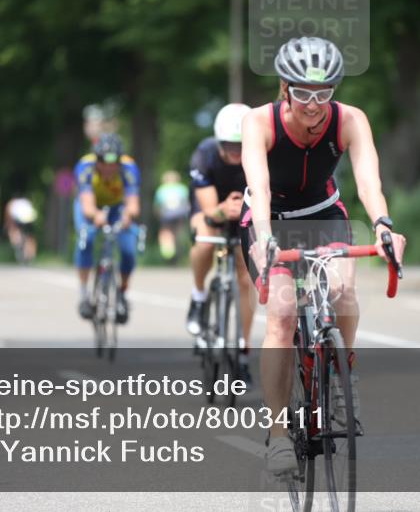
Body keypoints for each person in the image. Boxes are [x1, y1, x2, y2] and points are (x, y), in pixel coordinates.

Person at [240, 37, 406, 472]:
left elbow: (369, 181)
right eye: (302, 93)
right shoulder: (260, 122)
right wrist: (263, 235)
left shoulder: (350, 120)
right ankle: (277, 435)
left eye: (324, 93)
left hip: (322, 212)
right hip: (269, 218)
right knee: (282, 313)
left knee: (343, 290)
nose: (313, 105)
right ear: (283, 87)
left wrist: (384, 225)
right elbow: (257, 185)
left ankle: (338, 375)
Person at [185, 103, 255, 383]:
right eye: (230, 145)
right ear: (218, 141)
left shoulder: (261, 154)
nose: (237, 152)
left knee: (247, 276)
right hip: (211, 208)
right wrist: (222, 211)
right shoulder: (205, 154)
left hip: (245, 211)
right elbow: (209, 210)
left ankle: (242, 351)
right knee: (204, 241)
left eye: (242, 145)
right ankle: (199, 296)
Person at [73, 132, 141, 323]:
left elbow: (133, 204)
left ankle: (122, 293)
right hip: (92, 206)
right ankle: (84, 294)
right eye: (104, 162)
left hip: (118, 207)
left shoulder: (129, 168)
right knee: (86, 241)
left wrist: (127, 215)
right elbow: (86, 204)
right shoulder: (85, 167)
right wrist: (96, 215)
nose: (109, 167)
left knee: (128, 250)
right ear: (97, 160)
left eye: (114, 163)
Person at [153, 171, 190, 263]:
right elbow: (187, 204)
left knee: (165, 232)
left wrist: (157, 215)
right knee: (178, 232)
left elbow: (157, 206)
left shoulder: (161, 189)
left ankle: (168, 251)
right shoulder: (182, 188)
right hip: (180, 214)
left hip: (166, 215)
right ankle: (178, 249)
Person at [5, 194, 38, 264]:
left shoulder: (12, 203)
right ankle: (31, 252)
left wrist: (9, 227)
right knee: (30, 236)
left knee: (14, 231)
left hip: (19, 219)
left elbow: (9, 217)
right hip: (30, 218)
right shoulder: (26, 201)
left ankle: (17, 243)